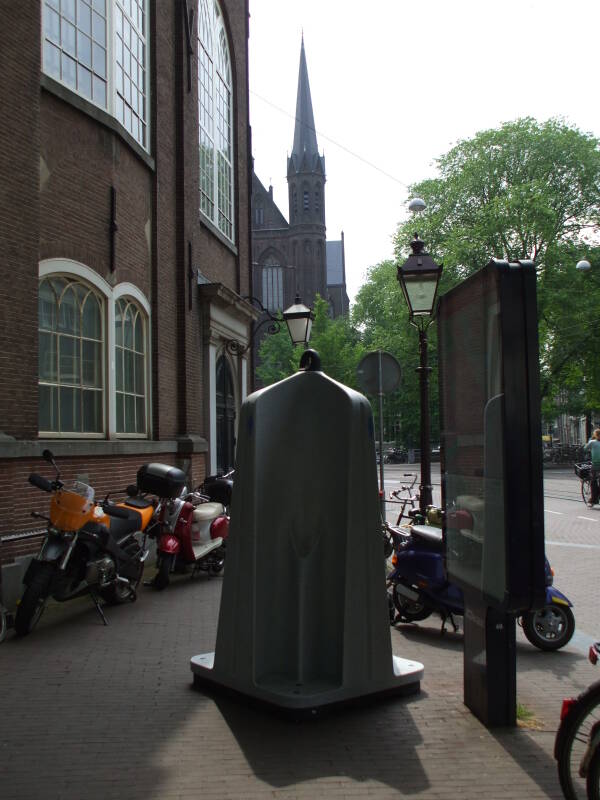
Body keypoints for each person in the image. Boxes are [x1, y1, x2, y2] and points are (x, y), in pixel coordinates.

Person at [583, 429, 600, 506]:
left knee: (593, 482)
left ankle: (593, 500)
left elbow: (585, 449)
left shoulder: (592, 442)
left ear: (595, 435)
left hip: (596, 465)